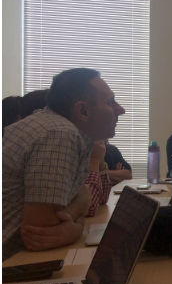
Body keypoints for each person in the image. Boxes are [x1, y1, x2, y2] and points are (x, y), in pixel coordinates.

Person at [2, 68, 126, 260]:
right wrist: (77, 227)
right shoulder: (59, 135)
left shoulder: (54, 127)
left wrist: (79, 205)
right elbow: (40, 235)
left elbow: (85, 195)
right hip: (12, 265)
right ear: (82, 111)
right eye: (111, 102)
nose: (121, 110)